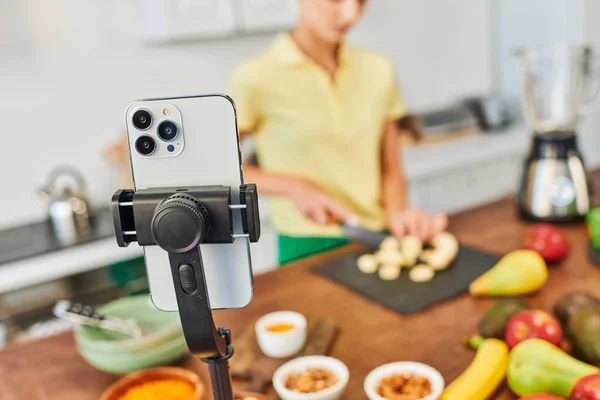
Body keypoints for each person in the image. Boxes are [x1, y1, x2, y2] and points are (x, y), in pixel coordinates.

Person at [229, 0, 447, 265]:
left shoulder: (379, 70)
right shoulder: (256, 78)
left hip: (377, 237)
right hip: (305, 244)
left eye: (361, 1)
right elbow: (221, 169)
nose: (351, 14)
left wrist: (398, 216)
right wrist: (296, 187)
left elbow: (390, 168)